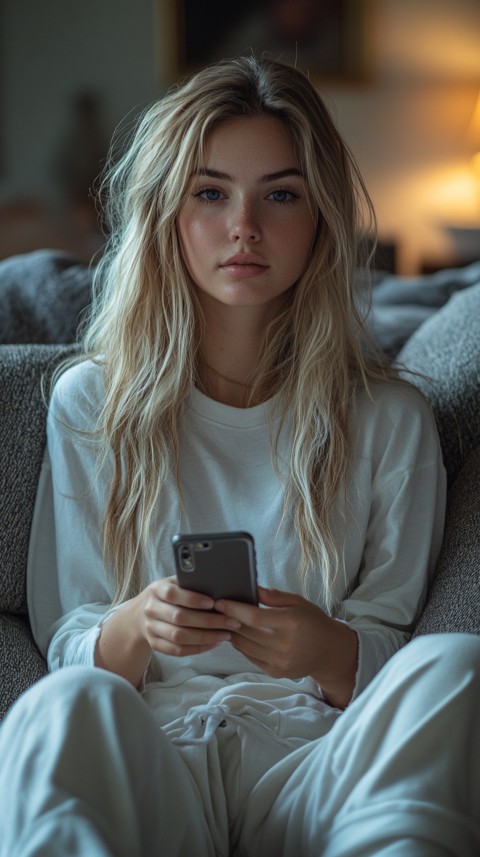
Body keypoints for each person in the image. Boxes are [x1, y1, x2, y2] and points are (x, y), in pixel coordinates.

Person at [0, 56, 478, 857]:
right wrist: (137, 625)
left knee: (456, 668)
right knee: (61, 709)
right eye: (211, 192)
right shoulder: (90, 403)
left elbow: (397, 640)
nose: (244, 227)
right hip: (154, 762)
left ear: (321, 215)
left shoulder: (390, 417)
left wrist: (326, 648)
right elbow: (70, 636)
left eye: (280, 195)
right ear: (166, 214)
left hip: (315, 760)